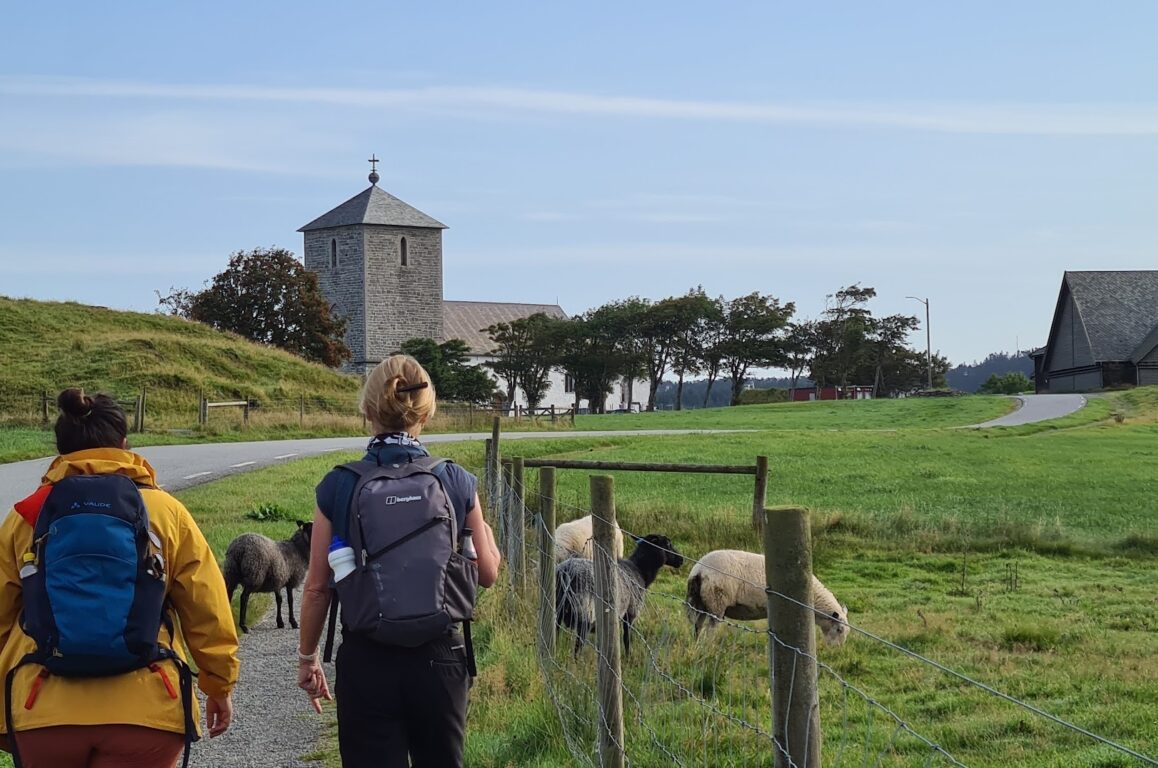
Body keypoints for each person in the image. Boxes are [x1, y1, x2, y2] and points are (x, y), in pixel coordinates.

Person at [0, 388, 240, 768]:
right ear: (125, 444)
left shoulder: (25, 516)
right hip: (147, 709)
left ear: (60, 449)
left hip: (41, 706)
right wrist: (218, 684)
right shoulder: (166, 512)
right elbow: (206, 608)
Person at [296, 354, 501, 768]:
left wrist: (307, 658)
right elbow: (488, 573)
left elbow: (318, 587)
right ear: (426, 412)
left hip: (367, 659)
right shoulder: (455, 480)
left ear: (368, 411)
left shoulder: (339, 484)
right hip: (441, 657)